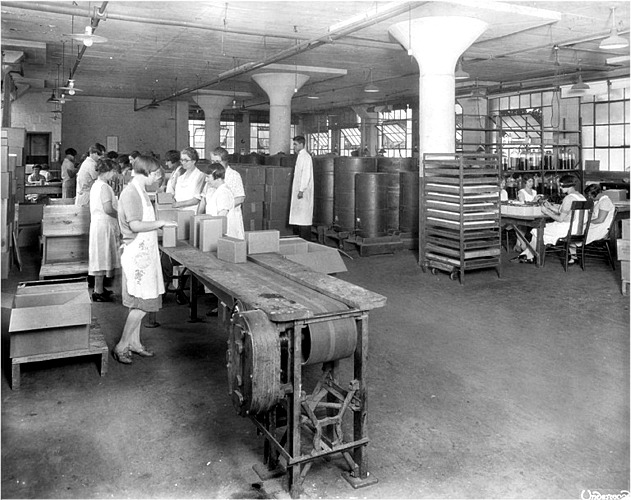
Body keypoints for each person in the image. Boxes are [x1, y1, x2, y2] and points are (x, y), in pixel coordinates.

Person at [114, 155, 170, 364]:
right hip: (137, 254)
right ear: (146, 172)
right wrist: (160, 223)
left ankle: (135, 343)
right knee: (142, 303)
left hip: (145, 253)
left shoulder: (142, 192)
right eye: (155, 174)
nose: (156, 178)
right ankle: (121, 345)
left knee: (140, 300)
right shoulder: (131, 193)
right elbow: (135, 225)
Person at [517, 174, 586, 264]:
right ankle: (574, 256)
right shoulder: (581, 197)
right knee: (546, 233)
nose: (560, 188)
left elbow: (561, 219)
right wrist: (550, 207)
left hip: (567, 229)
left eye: (561, 186)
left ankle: (530, 256)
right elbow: (567, 212)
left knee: (537, 230)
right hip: (579, 229)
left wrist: (546, 212)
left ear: (567, 185)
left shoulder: (569, 198)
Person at [88, 158, 120, 302]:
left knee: (100, 257)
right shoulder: (104, 187)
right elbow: (108, 209)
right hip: (104, 225)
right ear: (107, 172)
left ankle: (99, 289)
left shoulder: (97, 185)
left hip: (98, 224)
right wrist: (121, 216)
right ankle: (98, 291)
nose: (114, 175)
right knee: (102, 257)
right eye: (113, 171)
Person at [209, 146, 245, 239]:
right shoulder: (211, 175)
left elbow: (240, 198)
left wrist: (223, 209)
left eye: (217, 162)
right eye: (212, 161)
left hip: (229, 218)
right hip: (213, 217)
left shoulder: (233, 175)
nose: (214, 164)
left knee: (230, 244)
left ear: (225, 161)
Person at [199, 163, 242, 237]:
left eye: (208, 177)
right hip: (215, 230)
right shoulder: (213, 190)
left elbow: (221, 217)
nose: (206, 180)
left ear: (218, 179)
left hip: (223, 234)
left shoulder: (224, 192)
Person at [289, 135, 313, 240]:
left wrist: (301, 190)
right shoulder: (300, 156)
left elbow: (306, 174)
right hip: (299, 191)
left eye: (295, 144)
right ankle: (298, 240)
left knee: (303, 218)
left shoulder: (306, 157)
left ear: (302, 145)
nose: (293, 146)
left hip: (303, 192)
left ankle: (305, 241)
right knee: (299, 218)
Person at [170, 146, 205, 212]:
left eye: (186, 160)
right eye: (182, 160)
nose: (183, 162)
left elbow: (196, 199)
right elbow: (175, 194)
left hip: (191, 211)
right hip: (178, 210)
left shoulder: (200, 175)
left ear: (193, 161)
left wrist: (178, 204)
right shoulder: (180, 176)